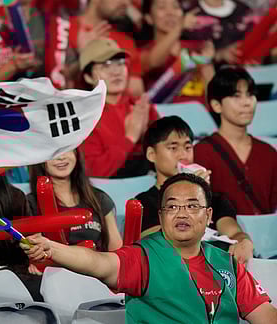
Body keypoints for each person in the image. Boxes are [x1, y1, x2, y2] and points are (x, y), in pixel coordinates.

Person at [22, 173, 277, 323]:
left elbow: (265, 316)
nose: (182, 214)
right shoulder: (143, 257)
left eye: (192, 206)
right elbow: (97, 262)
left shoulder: (226, 263)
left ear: (209, 215)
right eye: (173, 206)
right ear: (161, 215)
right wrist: (53, 249)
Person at [136, 116, 253, 263]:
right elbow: (158, 243)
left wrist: (244, 242)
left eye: (188, 147)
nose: (182, 155)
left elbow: (234, 233)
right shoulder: (143, 202)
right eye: (173, 148)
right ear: (151, 154)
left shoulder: (216, 199)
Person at [194, 67, 277, 215]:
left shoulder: (268, 152)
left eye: (250, 95)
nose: (247, 103)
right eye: (236, 96)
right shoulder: (202, 152)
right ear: (216, 105)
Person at [80, 37, 159, 178]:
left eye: (120, 63)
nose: (116, 72)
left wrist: (149, 137)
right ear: (88, 77)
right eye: (105, 65)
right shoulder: (84, 117)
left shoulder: (141, 106)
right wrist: (130, 138)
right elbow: (94, 172)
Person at [27, 149, 122, 254]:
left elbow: (117, 251)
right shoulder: (31, 204)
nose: (61, 157)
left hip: (96, 267)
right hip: (54, 268)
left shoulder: (99, 198)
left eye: (66, 149)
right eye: (54, 153)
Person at [48, 0, 144, 95]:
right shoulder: (61, 28)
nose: (126, 3)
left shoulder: (125, 41)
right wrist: (83, 54)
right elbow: (56, 86)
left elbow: (136, 93)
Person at [138, 0, 215, 104]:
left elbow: (213, 91)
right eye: (161, 7)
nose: (170, 12)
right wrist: (179, 27)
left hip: (199, 114)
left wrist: (204, 61)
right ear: (149, 18)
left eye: (175, 7)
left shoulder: (198, 48)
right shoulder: (144, 51)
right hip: (163, 116)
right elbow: (153, 62)